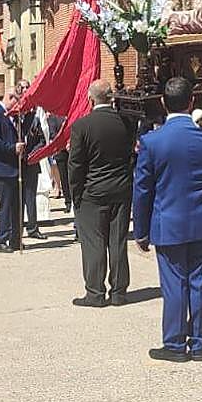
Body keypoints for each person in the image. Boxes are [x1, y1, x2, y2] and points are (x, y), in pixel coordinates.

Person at [133, 77, 202, 362]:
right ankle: (200, 342)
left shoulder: (151, 142)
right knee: (201, 281)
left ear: (163, 103)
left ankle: (175, 344)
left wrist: (140, 230)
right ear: (192, 102)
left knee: (174, 283)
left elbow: (142, 190)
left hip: (169, 221)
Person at [67, 80, 138, 307]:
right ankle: (119, 292)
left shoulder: (82, 126)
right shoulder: (126, 122)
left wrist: (75, 194)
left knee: (94, 242)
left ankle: (95, 293)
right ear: (111, 97)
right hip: (121, 189)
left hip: (92, 191)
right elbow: (131, 155)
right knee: (118, 241)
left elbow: (76, 165)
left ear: (91, 99)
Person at [0, 88, 44, 252]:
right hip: (3, 167)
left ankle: (15, 239)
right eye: (18, 101)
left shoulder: (14, 116)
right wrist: (12, 148)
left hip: (16, 168)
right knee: (6, 205)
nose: (19, 106)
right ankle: (1, 240)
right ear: (10, 98)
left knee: (17, 206)